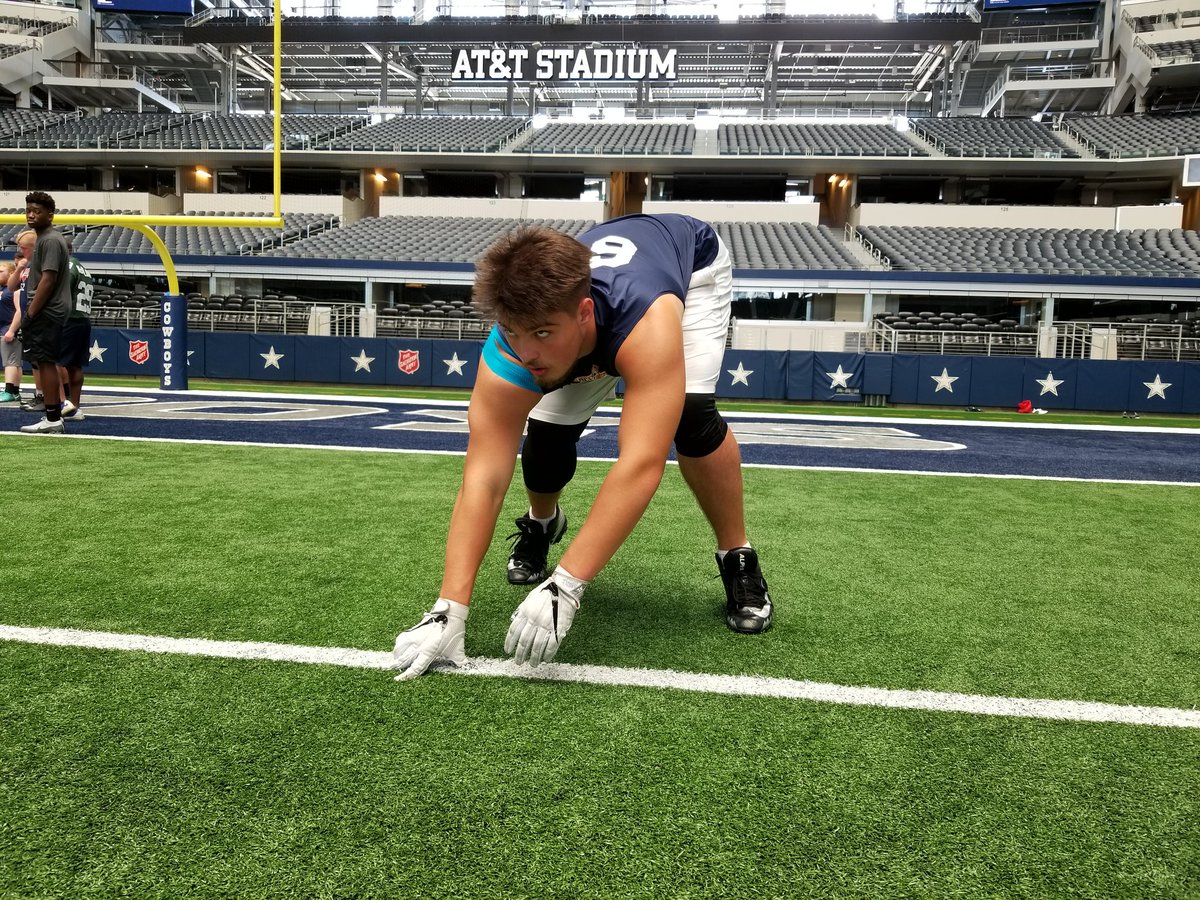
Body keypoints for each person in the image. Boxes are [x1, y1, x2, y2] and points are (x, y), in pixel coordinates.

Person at [392, 213, 774, 681]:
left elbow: (640, 464)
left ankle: (737, 554)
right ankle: (542, 523)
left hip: (690, 270)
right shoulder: (512, 347)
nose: (525, 351)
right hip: (604, 313)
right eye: (512, 330)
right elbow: (484, 477)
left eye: (543, 333)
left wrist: (567, 585)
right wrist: (449, 606)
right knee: (546, 440)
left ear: (584, 314)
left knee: (691, 417)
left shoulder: (645, 321)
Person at [16, 191, 72, 435]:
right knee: (43, 361)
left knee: (45, 362)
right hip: (51, 309)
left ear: (50, 214)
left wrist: (30, 314)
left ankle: (52, 418)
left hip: (48, 310)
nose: (31, 214)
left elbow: (48, 280)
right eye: (28, 210)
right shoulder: (45, 238)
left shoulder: (49, 240)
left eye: (37, 211)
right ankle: (53, 416)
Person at [56, 234, 94, 421]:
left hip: (67, 319)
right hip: (82, 319)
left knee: (51, 361)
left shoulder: (68, 266)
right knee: (75, 366)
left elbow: (60, 290)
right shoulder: (83, 268)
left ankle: (64, 403)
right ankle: (75, 407)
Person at [0, 260, 19, 402]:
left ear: (12, 273)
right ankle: (15, 391)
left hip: (9, 328)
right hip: (5, 327)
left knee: (10, 362)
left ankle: (9, 391)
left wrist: (12, 329)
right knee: (13, 361)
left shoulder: (14, 289)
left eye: (2, 271)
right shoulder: (4, 289)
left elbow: (19, 310)